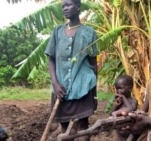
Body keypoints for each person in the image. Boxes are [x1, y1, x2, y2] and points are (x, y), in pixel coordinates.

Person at [44, 0, 98, 140]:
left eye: (68, 5)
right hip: (61, 90)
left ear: (78, 7)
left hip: (83, 89)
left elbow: (93, 64)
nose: (65, 8)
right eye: (63, 6)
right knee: (64, 129)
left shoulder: (89, 33)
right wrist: (55, 84)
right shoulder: (57, 32)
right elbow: (51, 58)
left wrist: (95, 94)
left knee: (83, 129)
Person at [109, 74, 138, 141]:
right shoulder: (119, 102)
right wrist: (116, 105)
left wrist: (123, 98)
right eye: (117, 89)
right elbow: (111, 113)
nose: (118, 91)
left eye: (121, 88)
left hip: (130, 131)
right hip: (119, 130)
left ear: (130, 88)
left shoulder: (133, 101)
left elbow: (131, 109)